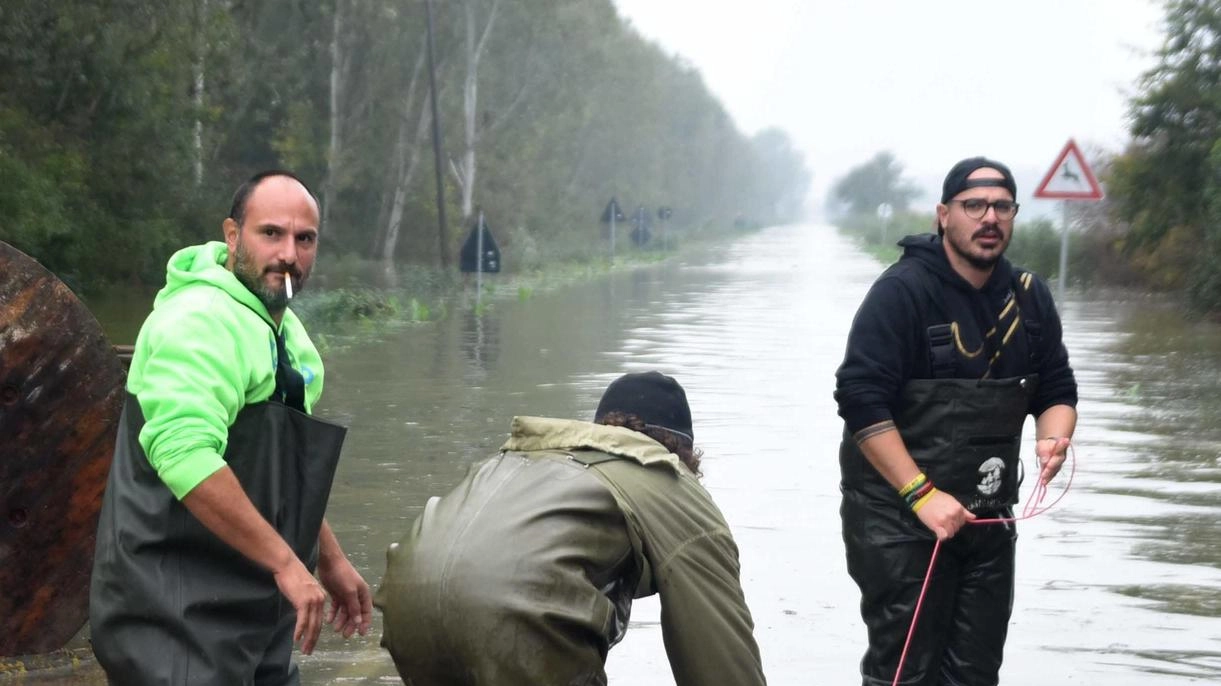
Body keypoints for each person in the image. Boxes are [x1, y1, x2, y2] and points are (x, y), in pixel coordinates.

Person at [90, 170, 372, 685]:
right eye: (271, 233)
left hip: (257, 608)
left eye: (304, 239)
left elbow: (280, 468)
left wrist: (327, 558)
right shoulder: (197, 321)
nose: (289, 253)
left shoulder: (284, 331)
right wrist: (289, 564)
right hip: (170, 612)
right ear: (232, 235)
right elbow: (184, 455)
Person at [834, 157, 1078, 686]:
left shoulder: (1030, 296)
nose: (989, 217)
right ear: (944, 215)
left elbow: (1057, 389)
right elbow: (860, 400)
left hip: (988, 519)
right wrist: (921, 494)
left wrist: (1053, 436)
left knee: (976, 673)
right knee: (906, 671)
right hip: (897, 520)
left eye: (1002, 206)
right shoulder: (900, 293)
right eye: (974, 206)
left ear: (1013, 215)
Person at [375, 371, 767, 686]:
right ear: (683, 452)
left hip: (408, 600)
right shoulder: (670, 481)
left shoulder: (527, 458)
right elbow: (721, 657)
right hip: (514, 612)